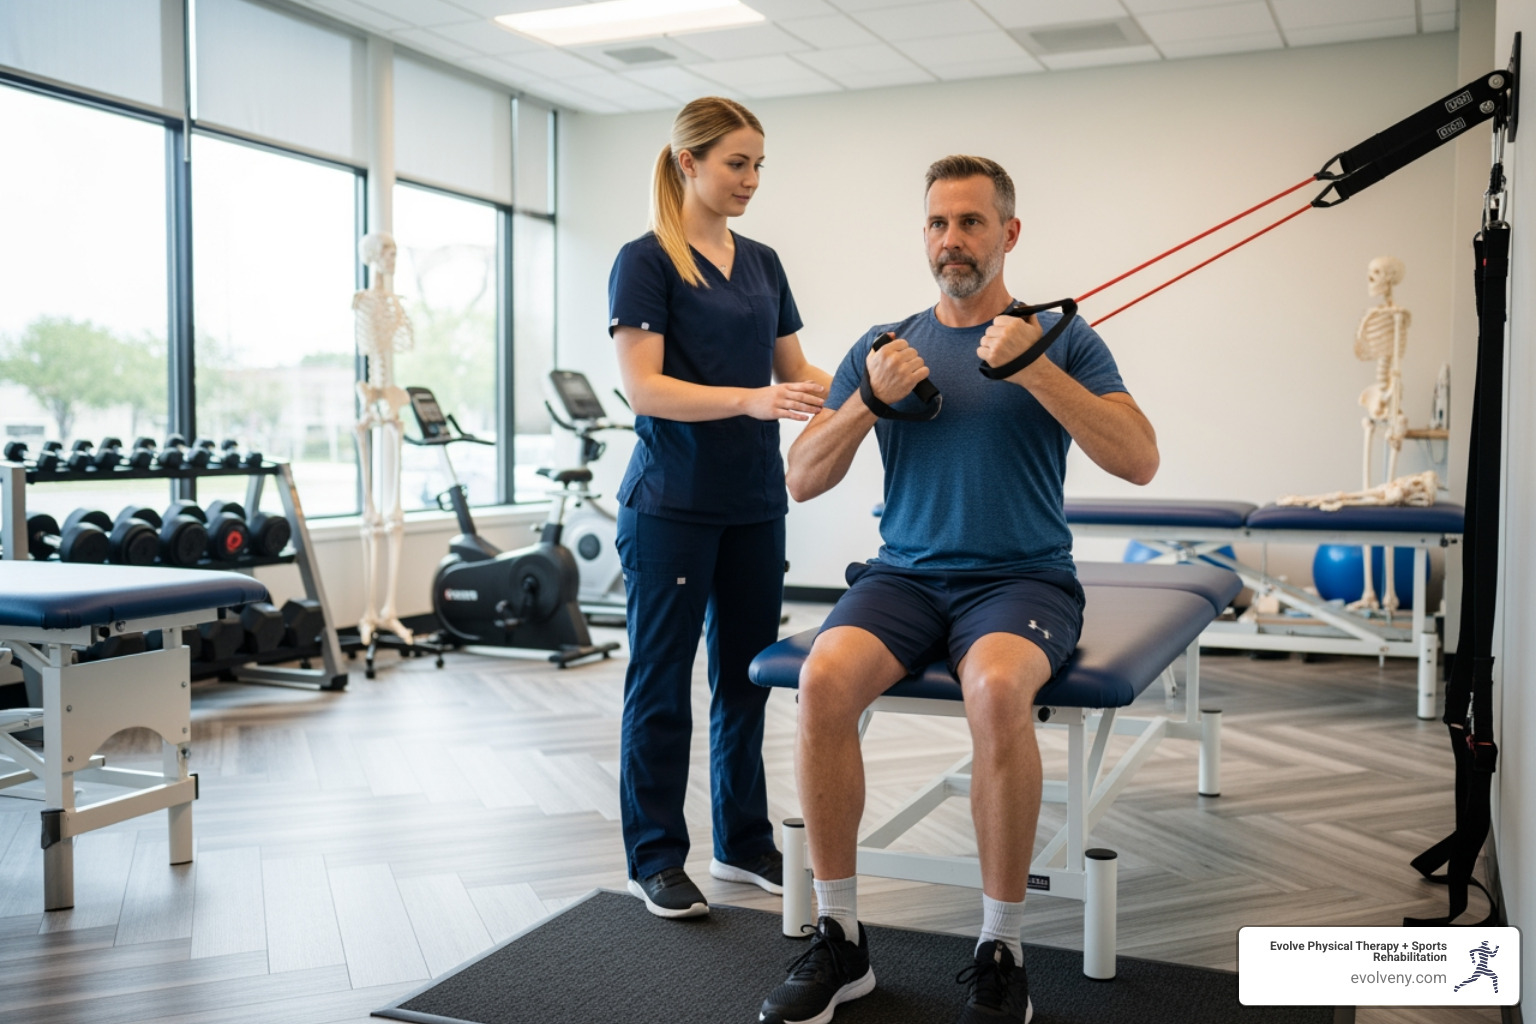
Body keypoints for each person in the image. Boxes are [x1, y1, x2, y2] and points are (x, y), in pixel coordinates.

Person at [757, 155, 1159, 1024]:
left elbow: (1138, 459)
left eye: (971, 221)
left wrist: (1037, 370)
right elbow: (803, 477)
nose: (952, 240)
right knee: (822, 680)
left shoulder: (1061, 338)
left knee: (998, 689)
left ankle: (1000, 948)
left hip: (1022, 579)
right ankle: (840, 938)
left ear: (1009, 233)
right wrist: (868, 399)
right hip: (904, 577)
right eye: (938, 223)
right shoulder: (885, 345)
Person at [608, 97, 832, 919]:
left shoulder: (763, 263)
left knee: (745, 681)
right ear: (688, 163)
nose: (751, 179)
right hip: (672, 504)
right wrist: (749, 399)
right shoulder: (645, 261)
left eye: (758, 164)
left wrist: (878, 386)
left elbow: (797, 373)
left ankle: (741, 841)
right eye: (737, 163)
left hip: (753, 503)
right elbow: (645, 388)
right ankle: (655, 857)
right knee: (662, 684)